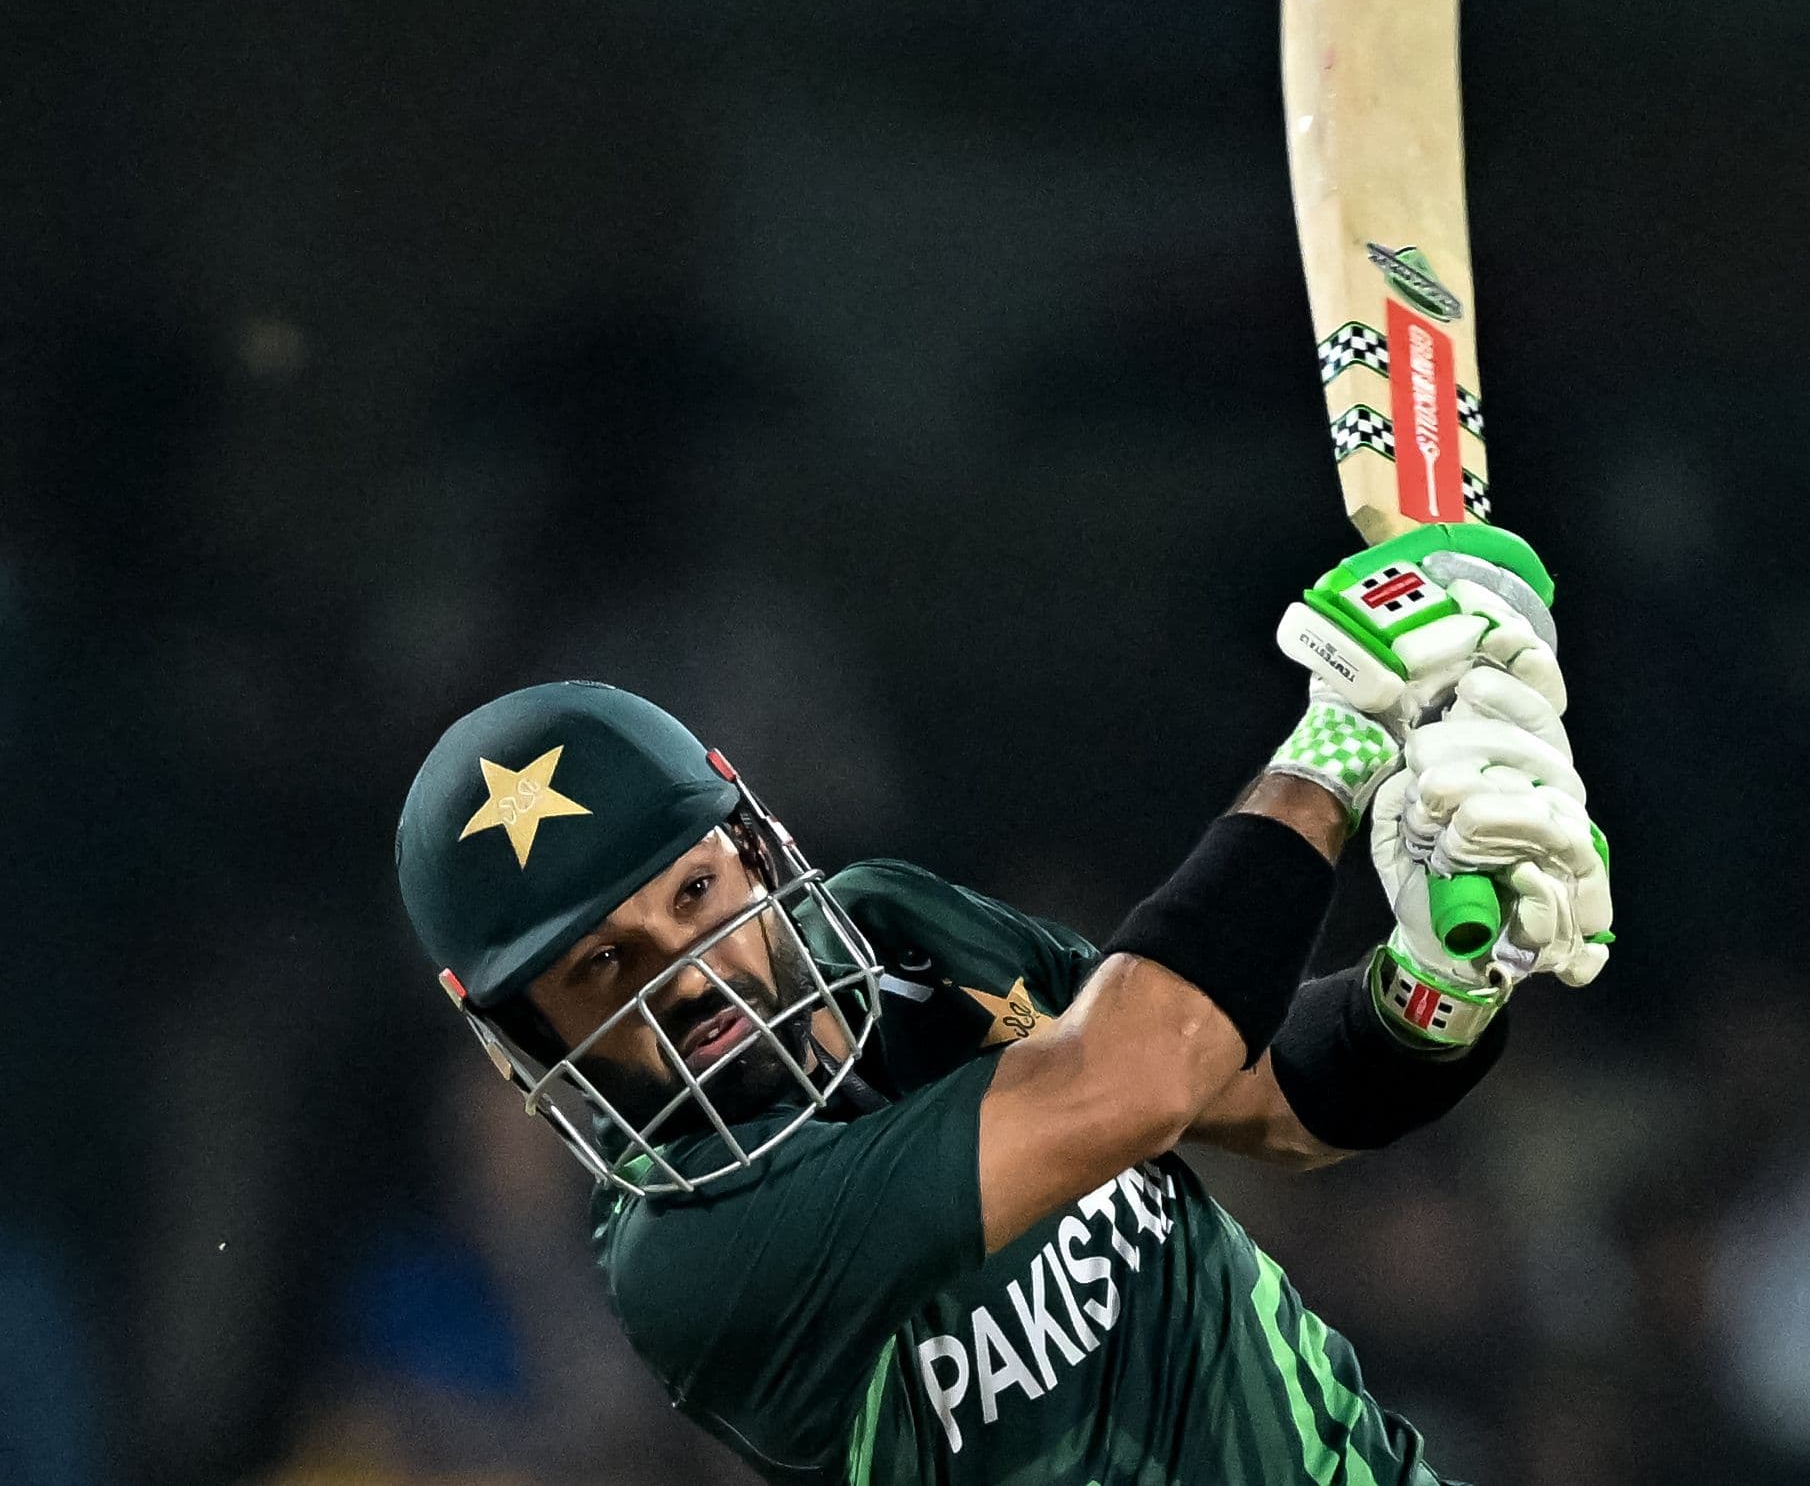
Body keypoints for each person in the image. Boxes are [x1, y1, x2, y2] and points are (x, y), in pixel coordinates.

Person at [392, 526, 1612, 1485]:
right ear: (525, 1043)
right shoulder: (694, 1253)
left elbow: (1265, 1090)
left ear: (758, 848)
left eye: (695, 894)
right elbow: (1133, 1078)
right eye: (604, 968)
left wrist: (1447, 980)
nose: (690, 973)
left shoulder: (894, 929)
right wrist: (1342, 741)